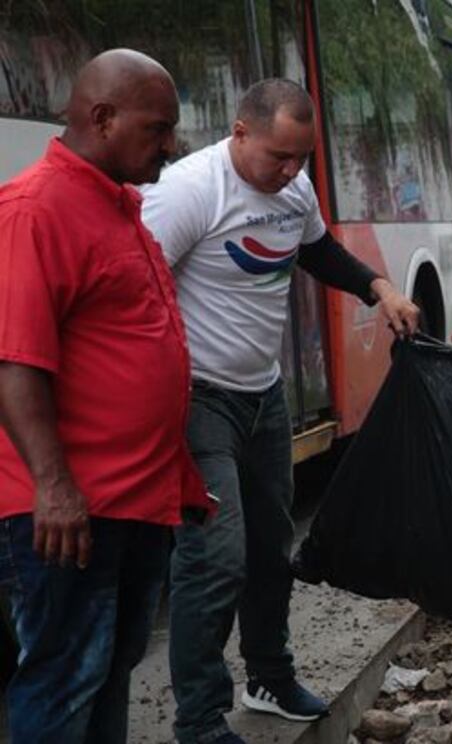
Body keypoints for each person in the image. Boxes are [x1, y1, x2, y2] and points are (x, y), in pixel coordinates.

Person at [139, 79, 421, 744]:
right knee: (216, 557)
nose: (291, 172)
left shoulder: (291, 188)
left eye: (302, 159)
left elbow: (316, 249)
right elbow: (134, 288)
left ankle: (269, 674)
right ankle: (201, 720)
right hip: (197, 399)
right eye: (278, 157)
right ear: (239, 133)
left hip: (263, 396)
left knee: (272, 547)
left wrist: (378, 286)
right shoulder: (188, 191)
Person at [0, 49, 211, 743]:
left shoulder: (116, 202)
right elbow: (15, 363)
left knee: (110, 666)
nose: (170, 145)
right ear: (102, 117)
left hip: (132, 498)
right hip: (71, 507)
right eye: (157, 128)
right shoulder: (35, 209)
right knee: (66, 677)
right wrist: (55, 489)